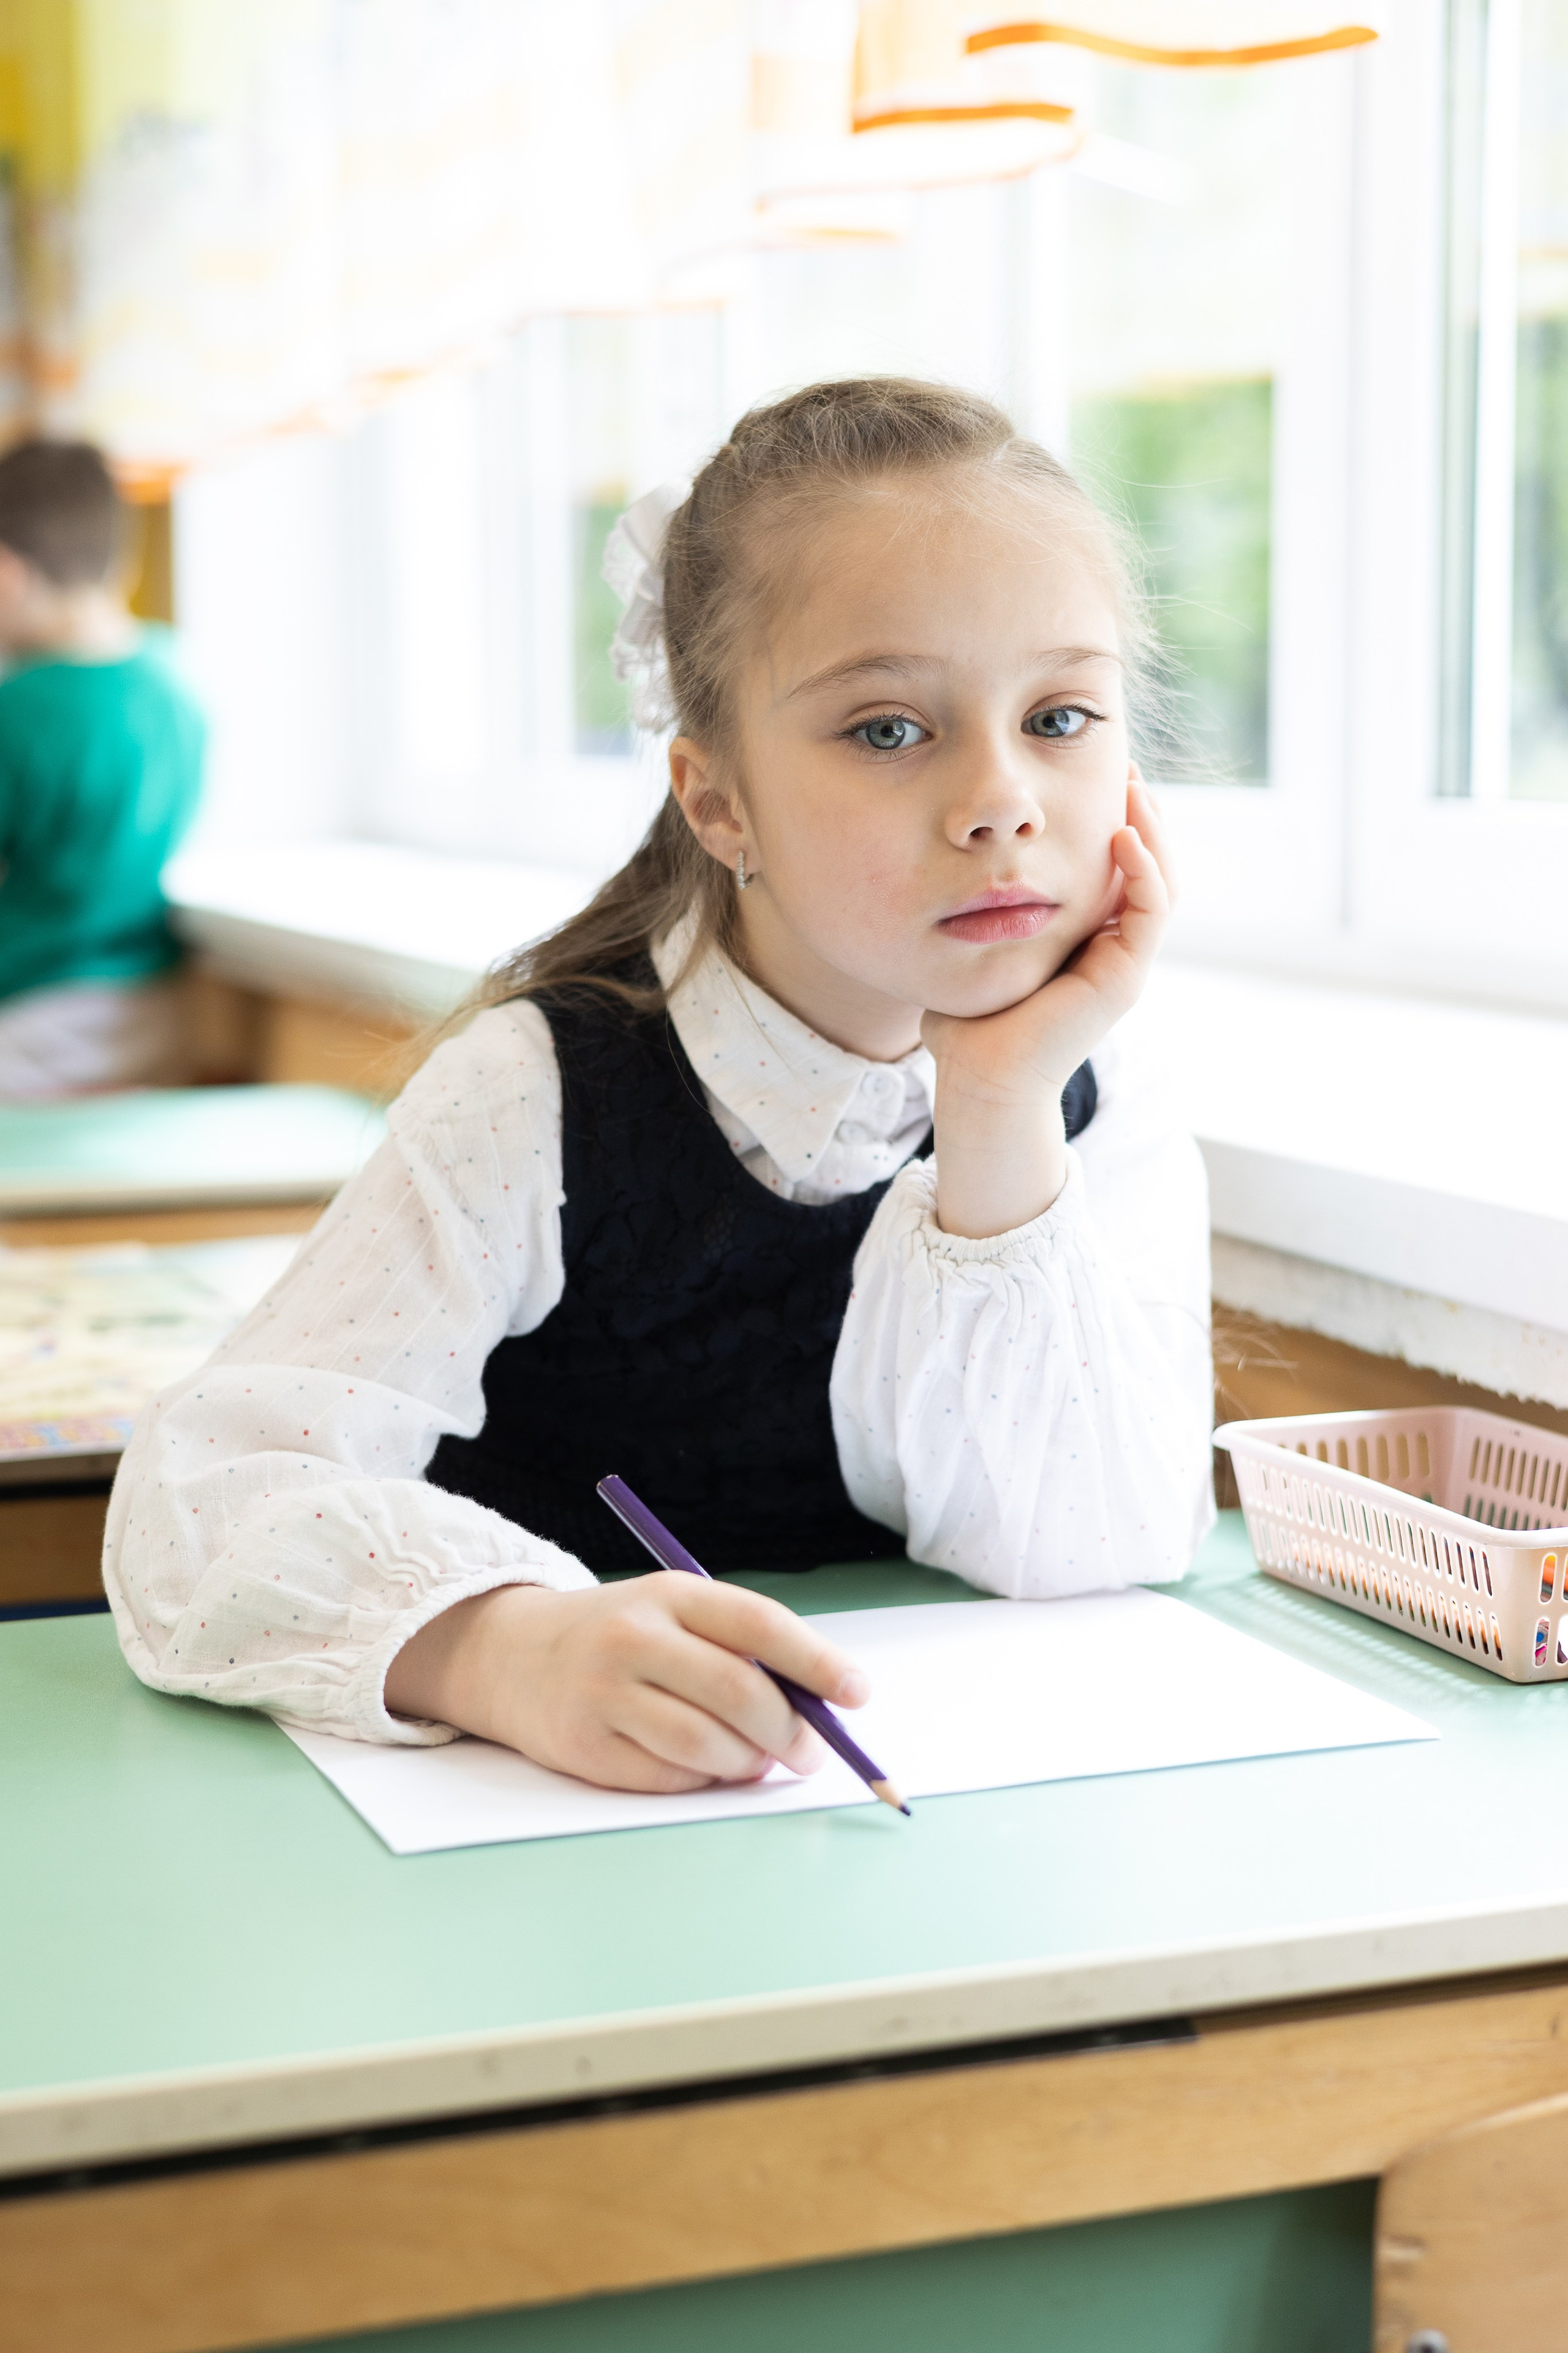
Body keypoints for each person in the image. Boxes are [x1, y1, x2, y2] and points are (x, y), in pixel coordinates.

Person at [105, 378, 1213, 1794]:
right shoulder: (537, 1093)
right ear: (718, 801)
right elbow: (198, 1496)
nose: (1001, 799)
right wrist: (498, 1649)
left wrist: (996, 1112)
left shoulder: (1092, 1087)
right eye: (887, 729)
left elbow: (1094, 1545)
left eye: (1059, 714)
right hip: (544, 1831)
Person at [0, 439, 205, 1096]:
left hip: (27, 1018)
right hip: (151, 1017)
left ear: (10, 573)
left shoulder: (19, 709)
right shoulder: (176, 687)